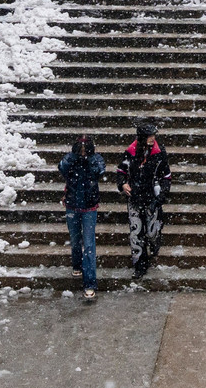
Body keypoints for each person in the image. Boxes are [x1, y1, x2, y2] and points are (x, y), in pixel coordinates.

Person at [116, 122, 172, 278]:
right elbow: (121, 171)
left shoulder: (160, 153)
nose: (152, 138)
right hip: (135, 198)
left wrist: (161, 195)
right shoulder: (130, 152)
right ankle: (140, 265)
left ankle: (155, 243)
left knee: (153, 231)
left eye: (153, 135)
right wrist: (122, 184)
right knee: (136, 233)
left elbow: (166, 176)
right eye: (149, 135)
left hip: (152, 197)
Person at [59, 136, 105, 302]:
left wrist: (89, 158)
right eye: (81, 148)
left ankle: (90, 284)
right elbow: (62, 168)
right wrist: (74, 156)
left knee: (89, 243)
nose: (83, 151)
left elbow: (100, 170)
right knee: (75, 238)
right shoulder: (71, 160)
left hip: (89, 207)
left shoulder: (96, 159)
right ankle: (77, 265)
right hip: (72, 204)